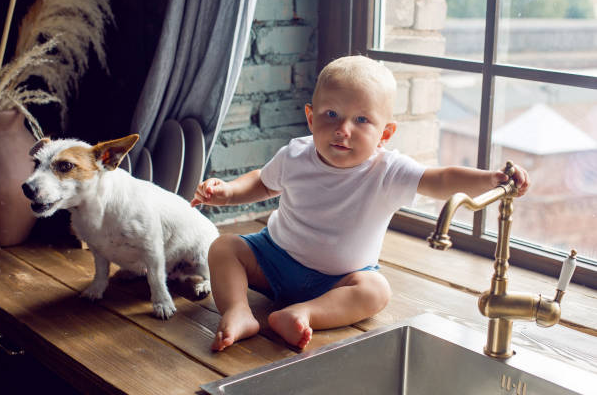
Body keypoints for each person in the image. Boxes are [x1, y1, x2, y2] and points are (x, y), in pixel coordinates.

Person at [191, 55, 530, 352]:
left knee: (376, 291)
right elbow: (263, 182)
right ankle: (237, 311)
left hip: (338, 280)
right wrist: (230, 192)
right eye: (331, 114)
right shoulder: (296, 154)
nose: (343, 130)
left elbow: (439, 179)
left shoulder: (389, 170)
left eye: (361, 120)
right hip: (274, 259)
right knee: (224, 248)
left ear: (385, 133)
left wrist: (490, 179)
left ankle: (304, 313)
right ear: (311, 118)